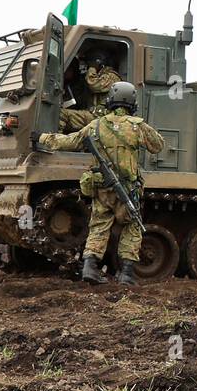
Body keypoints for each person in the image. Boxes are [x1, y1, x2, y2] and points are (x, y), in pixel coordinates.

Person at [38, 81, 166, 285]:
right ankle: (126, 274)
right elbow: (158, 145)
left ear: (111, 100)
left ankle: (90, 267)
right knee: (132, 227)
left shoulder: (96, 125)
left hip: (102, 188)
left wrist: (43, 137)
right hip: (127, 189)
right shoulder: (136, 126)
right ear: (132, 102)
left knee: (98, 226)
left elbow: (70, 141)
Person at [60, 54, 124, 133]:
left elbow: (93, 85)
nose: (87, 67)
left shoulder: (112, 76)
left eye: (89, 63)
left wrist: (92, 67)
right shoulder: (100, 75)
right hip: (94, 115)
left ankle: (53, 141)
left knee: (61, 114)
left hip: (101, 118)